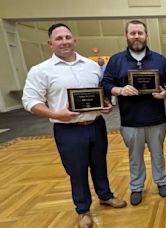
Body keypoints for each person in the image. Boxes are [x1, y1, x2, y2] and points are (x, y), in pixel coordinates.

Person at [21, 23, 127, 228]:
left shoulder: (91, 65)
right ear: (50, 43)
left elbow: (99, 93)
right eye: (59, 38)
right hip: (67, 129)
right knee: (76, 170)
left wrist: (104, 105)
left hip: (96, 125)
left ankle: (105, 195)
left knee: (99, 164)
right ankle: (83, 209)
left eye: (68, 37)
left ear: (74, 40)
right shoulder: (40, 70)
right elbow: (30, 101)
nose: (64, 42)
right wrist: (55, 113)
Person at [101, 20, 166, 206]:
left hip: (156, 118)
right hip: (130, 120)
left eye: (140, 32)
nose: (137, 36)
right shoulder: (116, 60)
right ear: (127, 36)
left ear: (146, 35)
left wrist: (165, 93)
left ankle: (161, 181)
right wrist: (120, 90)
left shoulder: (159, 59)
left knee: (158, 154)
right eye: (133, 33)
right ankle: (137, 186)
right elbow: (106, 84)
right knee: (135, 156)